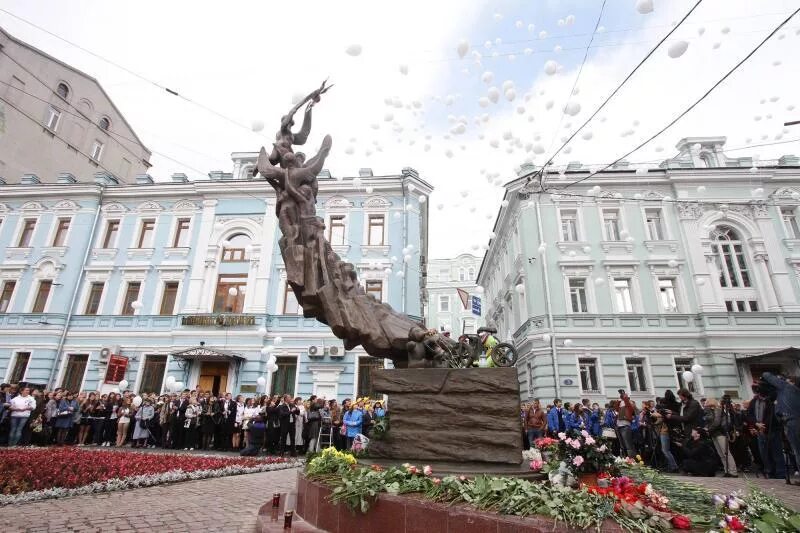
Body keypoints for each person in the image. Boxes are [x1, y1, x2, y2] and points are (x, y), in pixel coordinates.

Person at [761, 372, 800, 471]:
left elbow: (766, 375)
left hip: (792, 423)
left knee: (798, 452)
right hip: (791, 422)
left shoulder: (787, 387)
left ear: (792, 382)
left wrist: (779, 378)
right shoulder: (795, 392)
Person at [707, 396, 738, 477]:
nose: (705, 404)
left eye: (707, 402)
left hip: (720, 433)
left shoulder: (718, 410)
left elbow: (717, 422)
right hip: (715, 434)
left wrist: (708, 430)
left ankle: (733, 471)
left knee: (726, 453)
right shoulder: (712, 411)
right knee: (721, 454)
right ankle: (727, 470)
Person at [617, 392, 637, 458]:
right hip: (619, 426)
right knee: (622, 445)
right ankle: (626, 460)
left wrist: (625, 396)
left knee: (628, 444)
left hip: (625, 426)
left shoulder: (629, 405)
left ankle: (632, 460)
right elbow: (616, 408)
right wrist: (619, 400)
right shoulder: (621, 406)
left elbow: (628, 404)